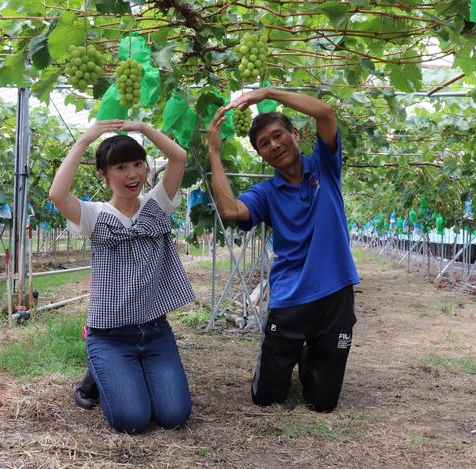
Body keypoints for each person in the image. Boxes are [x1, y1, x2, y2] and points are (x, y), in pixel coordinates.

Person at [207, 88, 360, 412]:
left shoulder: (324, 167)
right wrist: (214, 153)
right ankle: (295, 350)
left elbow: (325, 113)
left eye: (278, 135)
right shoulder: (266, 193)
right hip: (290, 297)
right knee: (266, 398)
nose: (274, 145)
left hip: (335, 294)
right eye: (264, 144)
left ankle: (309, 353)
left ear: (294, 133)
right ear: (261, 155)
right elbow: (231, 211)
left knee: (322, 403)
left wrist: (267, 92)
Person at [49, 119, 194, 434]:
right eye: (121, 167)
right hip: (111, 337)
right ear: (104, 175)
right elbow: (58, 195)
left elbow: (179, 158)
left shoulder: (158, 205)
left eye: (138, 164)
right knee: (133, 421)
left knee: (174, 416)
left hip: (155, 332)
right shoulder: (95, 215)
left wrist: (144, 128)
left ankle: (127, 375)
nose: (133, 174)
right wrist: (83, 141)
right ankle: (99, 377)